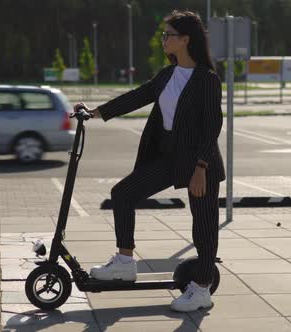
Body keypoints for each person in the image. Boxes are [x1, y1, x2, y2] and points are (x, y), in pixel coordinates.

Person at [74, 10, 225, 312]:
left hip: (200, 160)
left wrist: (201, 169)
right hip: (169, 156)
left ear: (185, 40)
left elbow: (212, 126)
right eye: (164, 34)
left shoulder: (206, 80)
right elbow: (138, 96)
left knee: (204, 227)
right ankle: (125, 261)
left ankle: (202, 289)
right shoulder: (167, 75)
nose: (163, 40)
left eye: (168, 35)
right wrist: (95, 112)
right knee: (123, 194)